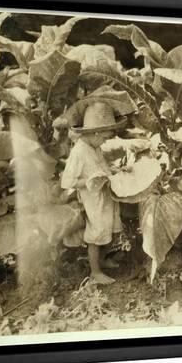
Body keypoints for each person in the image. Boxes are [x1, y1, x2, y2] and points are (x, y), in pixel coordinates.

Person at [60, 101, 126, 285]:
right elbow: (67, 181)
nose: (105, 141)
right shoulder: (79, 152)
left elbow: (102, 167)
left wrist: (115, 170)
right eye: (104, 137)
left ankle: (103, 260)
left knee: (108, 228)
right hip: (93, 199)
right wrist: (88, 182)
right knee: (96, 235)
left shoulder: (95, 147)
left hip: (105, 196)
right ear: (95, 133)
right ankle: (95, 272)